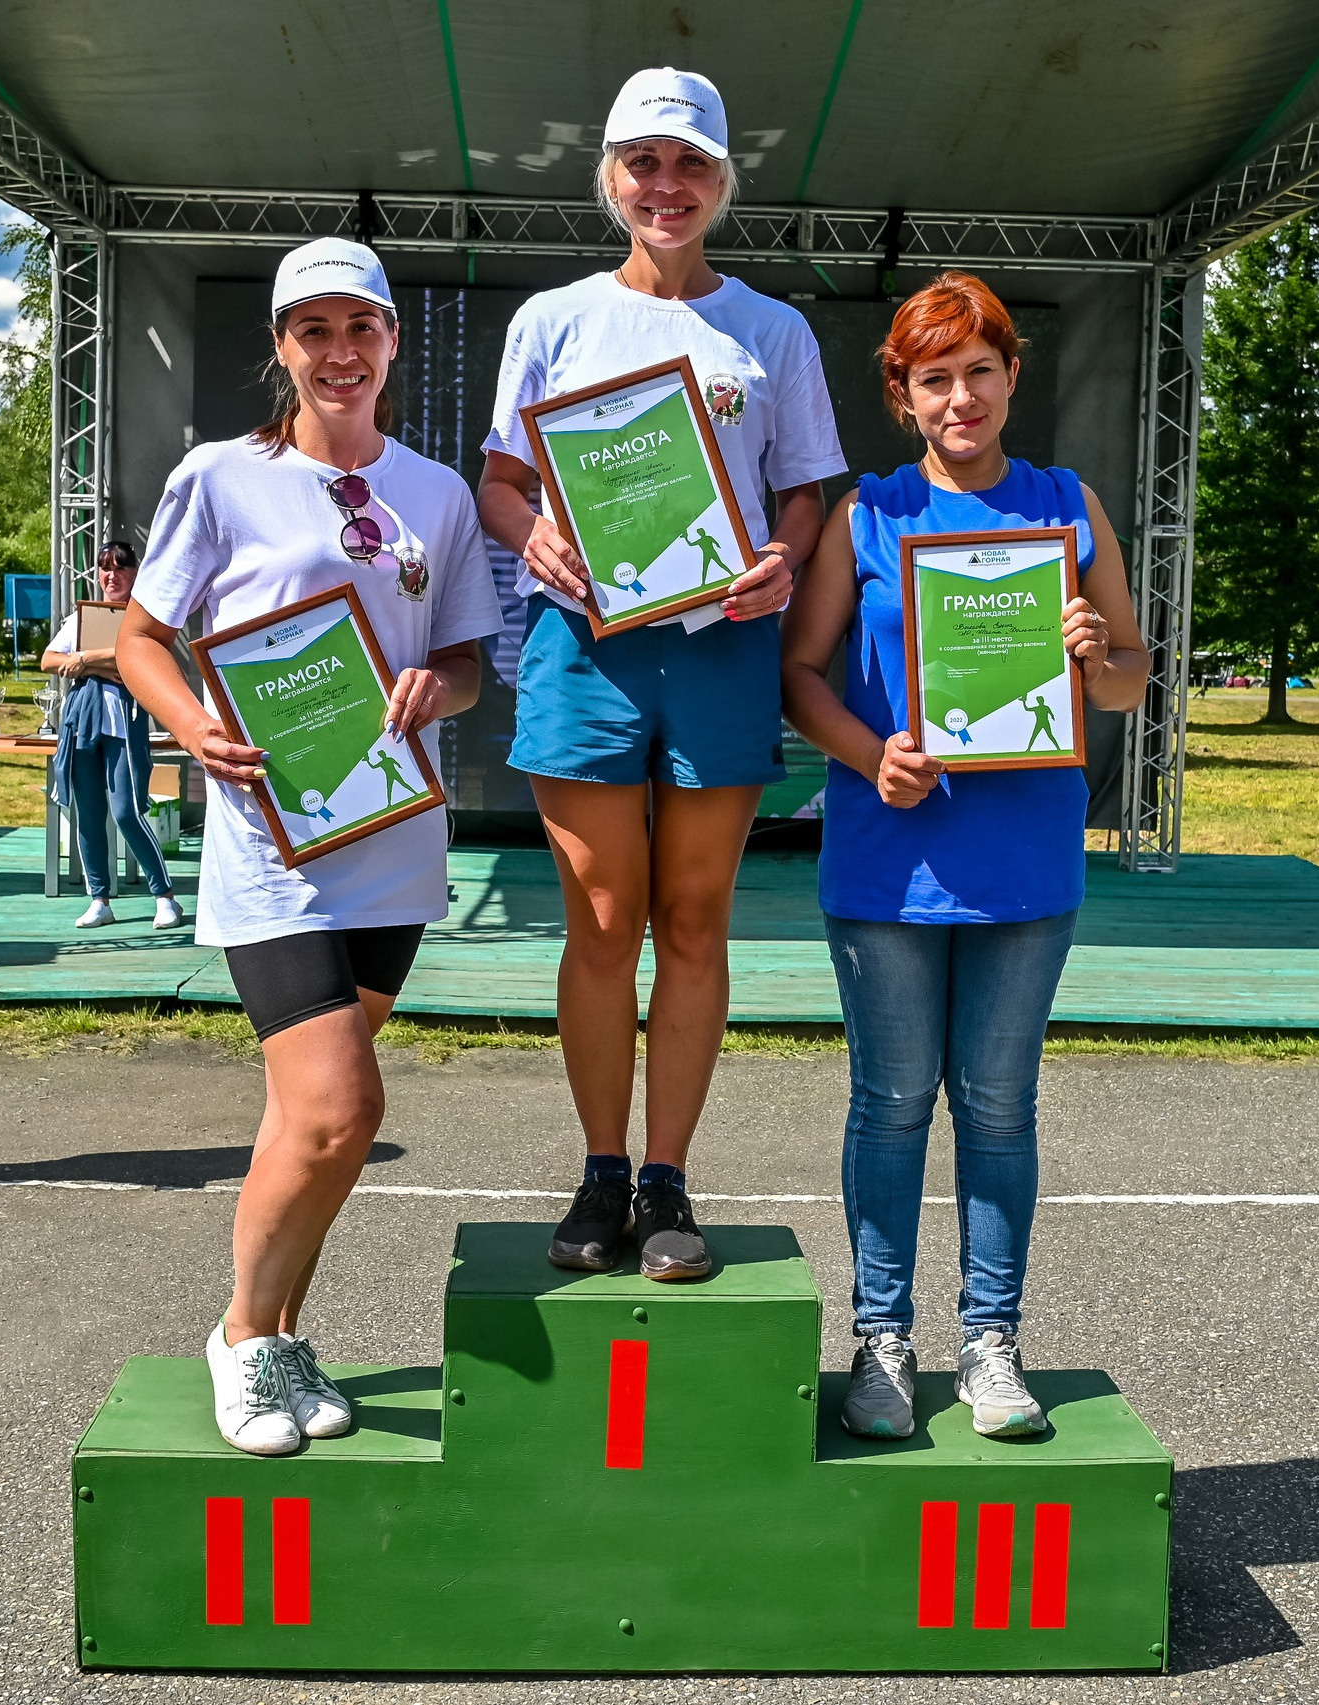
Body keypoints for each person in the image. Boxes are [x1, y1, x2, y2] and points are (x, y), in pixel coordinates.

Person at [115, 239, 501, 1457]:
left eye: (361, 328)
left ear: (392, 340)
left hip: (388, 835)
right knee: (342, 1110)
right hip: (273, 843)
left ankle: (281, 1333)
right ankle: (239, 1334)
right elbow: (140, 638)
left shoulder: (433, 493)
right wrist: (198, 731)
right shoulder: (221, 477)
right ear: (280, 348)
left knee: (302, 1125)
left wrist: (432, 693)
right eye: (312, 331)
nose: (339, 353)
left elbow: (469, 660)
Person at [477, 66, 847, 1282]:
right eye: (644, 161)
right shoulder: (554, 320)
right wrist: (528, 530)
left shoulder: (772, 330)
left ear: (723, 182)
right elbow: (501, 478)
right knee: (599, 919)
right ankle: (595, 1169)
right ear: (610, 179)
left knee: (693, 920)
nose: (666, 185)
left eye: (690, 164)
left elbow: (804, 490)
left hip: (722, 646)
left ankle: (666, 1176)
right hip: (582, 647)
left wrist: (782, 562)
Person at [780, 272, 1153, 1440]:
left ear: (1010, 377)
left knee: (998, 1107)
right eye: (933, 378)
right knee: (890, 1104)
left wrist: (1098, 653)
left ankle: (990, 1342)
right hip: (890, 862)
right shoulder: (866, 514)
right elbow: (799, 674)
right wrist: (866, 752)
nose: (960, 397)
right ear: (902, 393)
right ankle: (880, 1343)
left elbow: (1134, 680)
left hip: (1026, 860)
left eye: (979, 372)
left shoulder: (1066, 503)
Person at [41, 542, 182, 930]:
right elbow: (50, 659)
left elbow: (134, 660)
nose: (111, 575)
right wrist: (102, 666)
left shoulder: (142, 620)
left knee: (127, 811)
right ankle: (99, 899)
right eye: (104, 568)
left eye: (120, 567)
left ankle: (164, 895)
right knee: (88, 814)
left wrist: (86, 659)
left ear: (135, 573)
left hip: (124, 724)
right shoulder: (83, 618)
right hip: (82, 725)